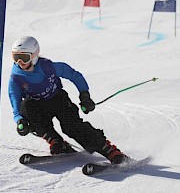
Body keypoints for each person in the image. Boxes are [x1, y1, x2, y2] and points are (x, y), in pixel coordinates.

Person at [8, 36, 129, 164]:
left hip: (58, 100)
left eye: (24, 57)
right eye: (16, 57)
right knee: (26, 107)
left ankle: (109, 150)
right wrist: (19, 121)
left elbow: (74, 75)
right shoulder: (16, 78)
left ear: (34, 56)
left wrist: (84, 96)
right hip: (38, 107)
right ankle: (56, 141)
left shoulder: (48, 67)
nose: (20, 62)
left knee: (71, 126)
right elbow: (15, 103)